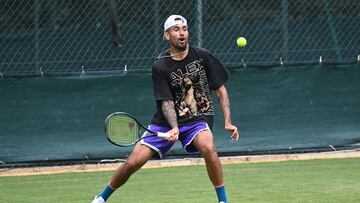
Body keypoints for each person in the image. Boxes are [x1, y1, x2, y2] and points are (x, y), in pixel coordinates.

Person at [92, 14, 239, 203]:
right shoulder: (160, 66)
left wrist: (227, 120)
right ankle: (101, 198)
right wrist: (174, 127)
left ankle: (223, 201)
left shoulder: (203, 56)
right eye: (176, 29)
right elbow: (167, 102)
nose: (182, 33)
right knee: (133, 162)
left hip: (196, 120)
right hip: (164, 123)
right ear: (166, 35)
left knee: (209, 147)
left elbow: (220, 90)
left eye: (184, 29)